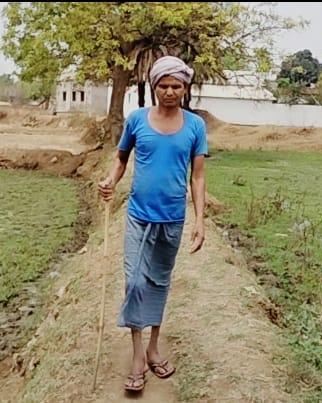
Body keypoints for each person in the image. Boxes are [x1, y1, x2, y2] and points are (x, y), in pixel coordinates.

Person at [97, 55, 208, 392]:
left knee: (159, 282)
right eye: (163, 85)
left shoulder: (195, 126)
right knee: (134, 283)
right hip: (138, 216)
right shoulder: (136, 120)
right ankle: (136, 356)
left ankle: (154, 347)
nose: (170, 91)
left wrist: (200, 220)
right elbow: (120, 160)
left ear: (185, 88)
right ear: (153, 86)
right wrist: (110, 181)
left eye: (177, 86)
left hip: (173, 218)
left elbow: (198, 177)